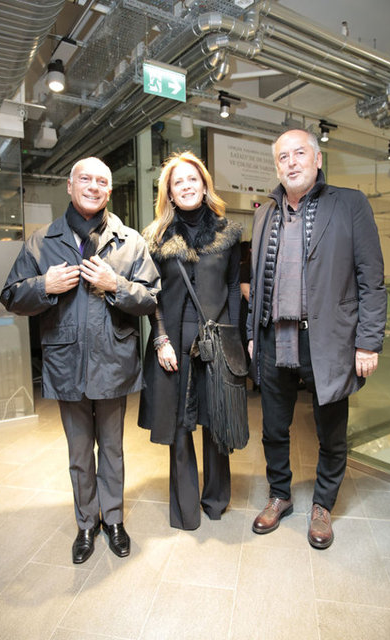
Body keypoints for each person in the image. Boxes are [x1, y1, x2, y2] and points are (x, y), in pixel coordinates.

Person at [0, 157, 160, 563]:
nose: (93, 186)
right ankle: (87, 523)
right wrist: (44, 285)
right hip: (66, 362)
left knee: (112, 449)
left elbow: (151, 298)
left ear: (109, 190)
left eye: (101, 181)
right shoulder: (42, 241)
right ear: (70, 186)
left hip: (113, 361)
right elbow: (11, 296)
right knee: (79, 453)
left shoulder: (130, 241)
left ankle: (115, 520)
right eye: (85, 179)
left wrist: (115, 284)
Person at [247, 129, 386, 549]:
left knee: (331, 432)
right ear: (277, 166)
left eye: (299, 153)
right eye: (283, 156)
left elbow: (371, 279)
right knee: (274, 428)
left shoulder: (350, 204)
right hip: (274, 338)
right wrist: (253, 334)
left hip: (328, 341)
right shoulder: (264, 213)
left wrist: (368, 341)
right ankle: (280, 495)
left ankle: (323, 505)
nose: (291, 162)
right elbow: (258, 281)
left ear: (317, 159)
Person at [138, 151, 242, 530]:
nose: (186, 186)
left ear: (204, 184)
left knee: (217, 422)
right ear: (169, 192)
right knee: (180, 426)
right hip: (175, 340)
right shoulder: (155, 237)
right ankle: (185, 511)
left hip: (217, 337)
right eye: (177, 181)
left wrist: (234, 339)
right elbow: (151, 295)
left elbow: (234, 287)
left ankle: (215, 500)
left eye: (192, 179)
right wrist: (160, 338)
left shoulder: (228, 233)